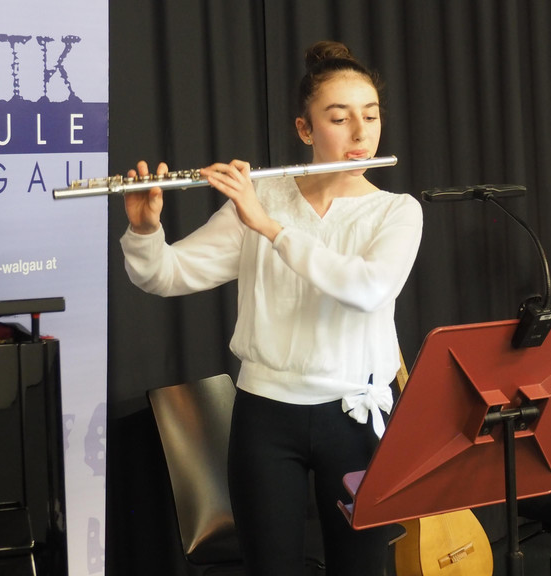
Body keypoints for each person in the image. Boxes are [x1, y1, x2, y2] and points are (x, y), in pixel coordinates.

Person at [120, 40, 423, 576]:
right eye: (340, 118)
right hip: (266, 415)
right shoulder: (262, 198)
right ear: (305, 130)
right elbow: (165, 275)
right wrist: (145, 231)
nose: (360, 133)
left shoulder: (397, 212)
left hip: (357, 416)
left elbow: (367, 289)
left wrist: (269, 227)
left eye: (371, 116)